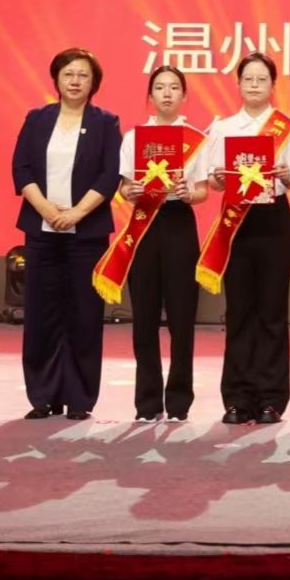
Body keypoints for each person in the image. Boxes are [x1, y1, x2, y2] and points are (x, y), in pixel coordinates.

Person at [190, 52, 290, 425]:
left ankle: (272, 398)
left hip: (274, 220)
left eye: (262, 79)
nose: (254, 85)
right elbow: (213, 181)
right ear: (238, 84)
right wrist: (219, 178)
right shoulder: (223, 128)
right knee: (239, 310)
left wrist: (287, 175)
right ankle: (238, 398)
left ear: (273, 85)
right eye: (248, 79)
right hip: (236, 222)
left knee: (272, 311)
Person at [11, 48, 123, 420]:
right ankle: (42, 396)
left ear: (94, 83)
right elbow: (21, 168)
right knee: (41, 315)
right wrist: (45, 209)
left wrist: (76, 213)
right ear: (57, 79)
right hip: (42, 231)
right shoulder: (37, 119)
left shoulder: (106, 123)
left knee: (84, 315)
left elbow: (109, 175)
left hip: (86, 233)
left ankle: (79, 398)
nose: (75, 81)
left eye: (83, 75)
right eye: (68, 74)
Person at [114, 65, 209, 422]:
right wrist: (130, 191)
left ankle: (179, 400)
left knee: (182, 317)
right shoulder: (133, 138)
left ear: (184, 95)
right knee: (144, 316)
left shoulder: (196, 138)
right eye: (159, 87)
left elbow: (203, 190)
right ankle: (147, 401)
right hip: (144, 225)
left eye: (174, 87)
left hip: (179, 223)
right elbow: (125, 186)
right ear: (150, 95)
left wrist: (189, 193)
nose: (167, 93)